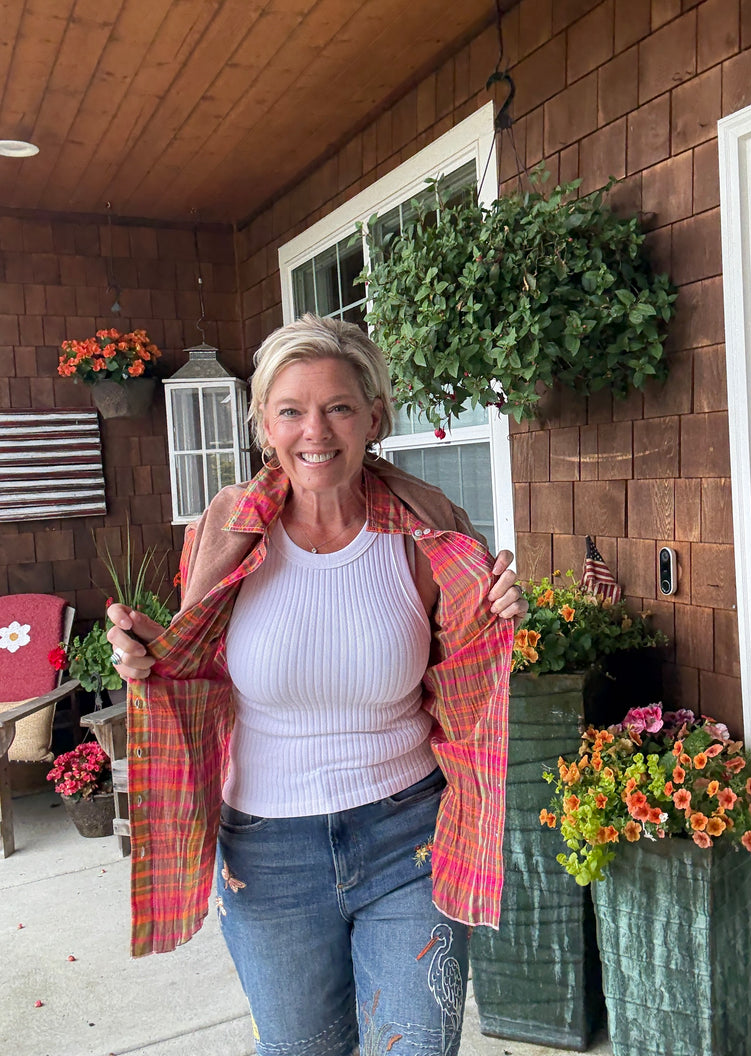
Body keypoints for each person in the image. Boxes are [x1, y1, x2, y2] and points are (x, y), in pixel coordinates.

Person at [107, 314, 523, 1056]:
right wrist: (143, 660)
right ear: (265, 424)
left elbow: (465, 664)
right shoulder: (226, 533)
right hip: (270, 853)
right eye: (291, 410)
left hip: (411, 838)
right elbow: (189, 667)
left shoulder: (427, 532)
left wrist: (496, 614)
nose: (315, 431)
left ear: (374, 417)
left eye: (337, 407)